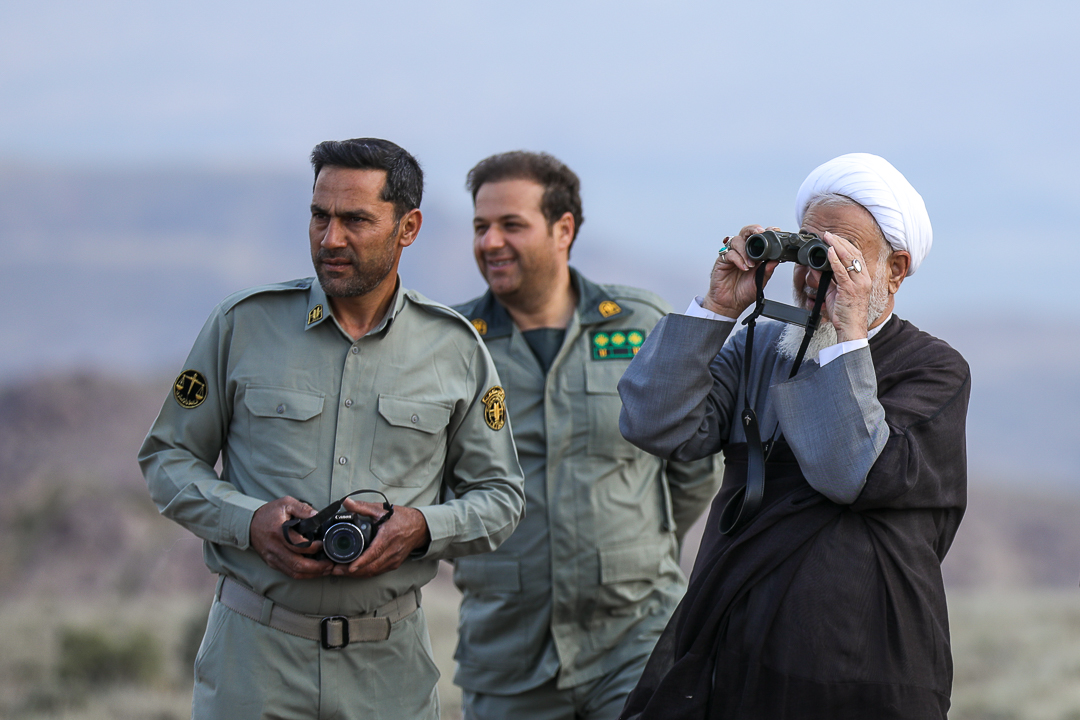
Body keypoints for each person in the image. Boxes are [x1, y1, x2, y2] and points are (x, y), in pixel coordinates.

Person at [138, 138, 525, 720]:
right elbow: (167, 457)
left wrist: (421, 527)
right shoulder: (243, 325)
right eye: (320, 216)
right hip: (252, 665)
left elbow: (501, 497)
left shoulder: (455, 348)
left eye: (355, 220)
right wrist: (248, 521)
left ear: (408, 227)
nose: (330, 239)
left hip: (389, 674)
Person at [616, 153, 970, 719]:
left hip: (866, 672)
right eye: (807, 251)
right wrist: (718, 308)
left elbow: (850, 473)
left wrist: (846, 336)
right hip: (737, 657)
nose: (812, 277)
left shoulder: (933, 370)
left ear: (895, 270)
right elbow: (653, 424)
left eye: (840, 257)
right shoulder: (761, 346)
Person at [451, 151, 721, 720]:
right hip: (506, 653)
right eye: (481, 226)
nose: (490, 242)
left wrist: (631, 548)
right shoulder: (452, 344)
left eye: (511, 225)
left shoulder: (638, 324)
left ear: (563, 229)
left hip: (634, 637)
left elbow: (693, 465)